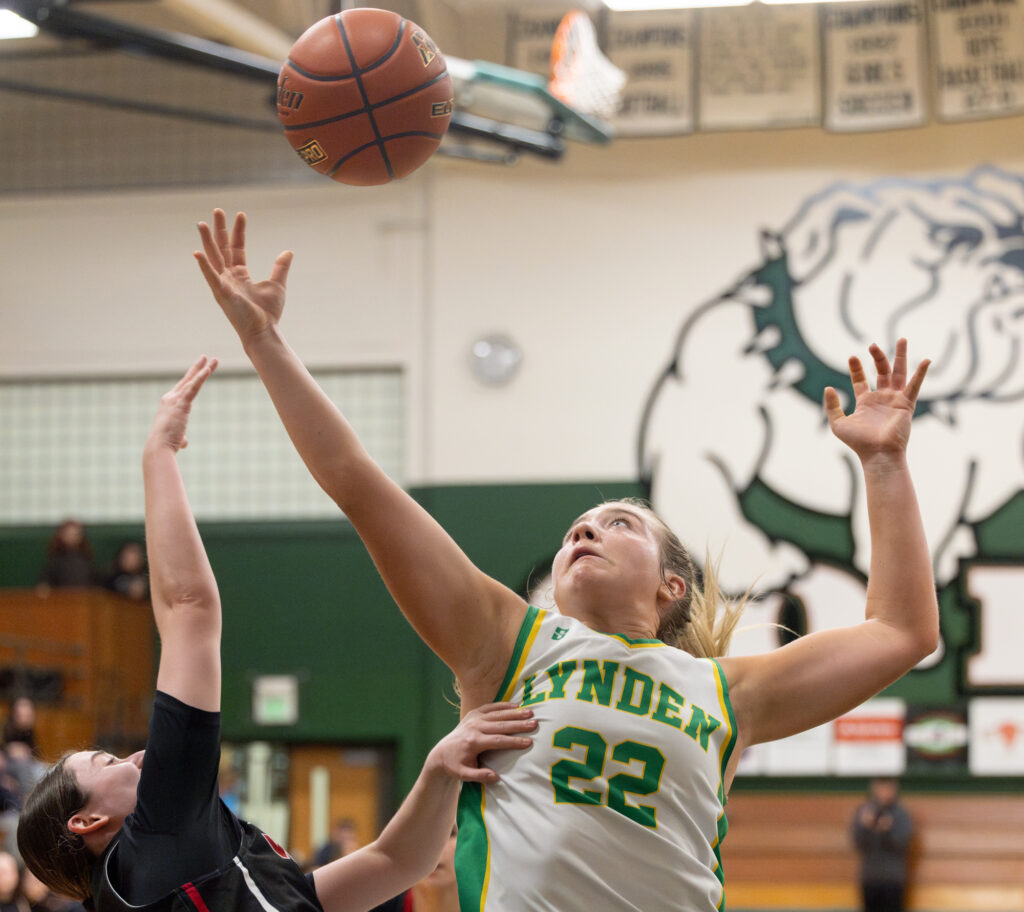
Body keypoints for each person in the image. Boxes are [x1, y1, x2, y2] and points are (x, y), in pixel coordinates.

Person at [196, 208, 939, 912]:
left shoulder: (728, 694)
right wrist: (264, 341)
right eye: (574, 528)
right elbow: (358, 483)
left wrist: (883, 466)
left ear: (672, 586)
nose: (584, 532)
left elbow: (902, 632)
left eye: (617, 524)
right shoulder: (508, 643)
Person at [16, 357, 536, 912]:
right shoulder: (152, 845)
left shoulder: (219, 865)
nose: (138, 756)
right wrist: (158, 454)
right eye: (109, 764)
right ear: (89, 820)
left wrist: (438, 768)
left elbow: (393, 863)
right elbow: (189, 608)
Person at [852, 778, 913, 912]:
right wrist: (866, 827)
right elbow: (857, 843)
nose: (884, 792)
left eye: (887, 787)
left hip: (893, 879)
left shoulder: (900, 814)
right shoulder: (864, 812)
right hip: (870, 878)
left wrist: (887, 831)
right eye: (880, 787)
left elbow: (902, 844)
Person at [37, 520, 95, 591]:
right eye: (69, 534)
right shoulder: (54, 560)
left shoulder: (86, 558)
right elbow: (44, 584)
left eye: (75, 534)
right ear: (61, 535)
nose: (72, 537)